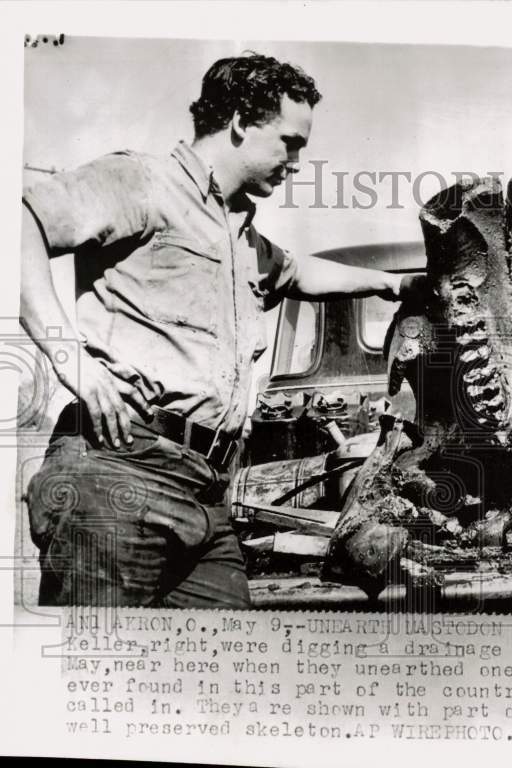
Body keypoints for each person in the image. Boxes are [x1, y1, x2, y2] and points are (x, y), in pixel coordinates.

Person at [20, 54, 423, 608]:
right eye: (289, 141)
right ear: (238, 122)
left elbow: (300, 271)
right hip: (118, 470)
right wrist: (71, 361)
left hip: (208, 491)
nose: (297, 161)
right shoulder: (143, 182)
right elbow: (20, 221)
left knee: (223, 675)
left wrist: (392, 285)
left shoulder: (240, 235)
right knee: (98, 671)